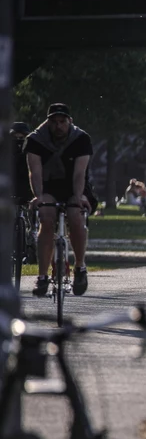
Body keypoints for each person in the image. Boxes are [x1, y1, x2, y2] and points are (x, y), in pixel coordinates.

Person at [25, 103, 94, 297]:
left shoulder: (81, 139)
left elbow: (80, 173)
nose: (58, 126)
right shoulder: (36, 140)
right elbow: (35, 172)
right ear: (48, 122)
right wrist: (38, 196)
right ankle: (42, 276)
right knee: (46, 218)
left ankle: (80, 267)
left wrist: (80, 196)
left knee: (75, 215)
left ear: (69, 121)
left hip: (75, 186)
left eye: (62, 122)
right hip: (49, 186)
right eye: (54, 122)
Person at [10, 122, 32, 209]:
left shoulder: (31, 152)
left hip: (28, 192)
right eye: (15, 137)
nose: (18, 140)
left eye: (21, 138)